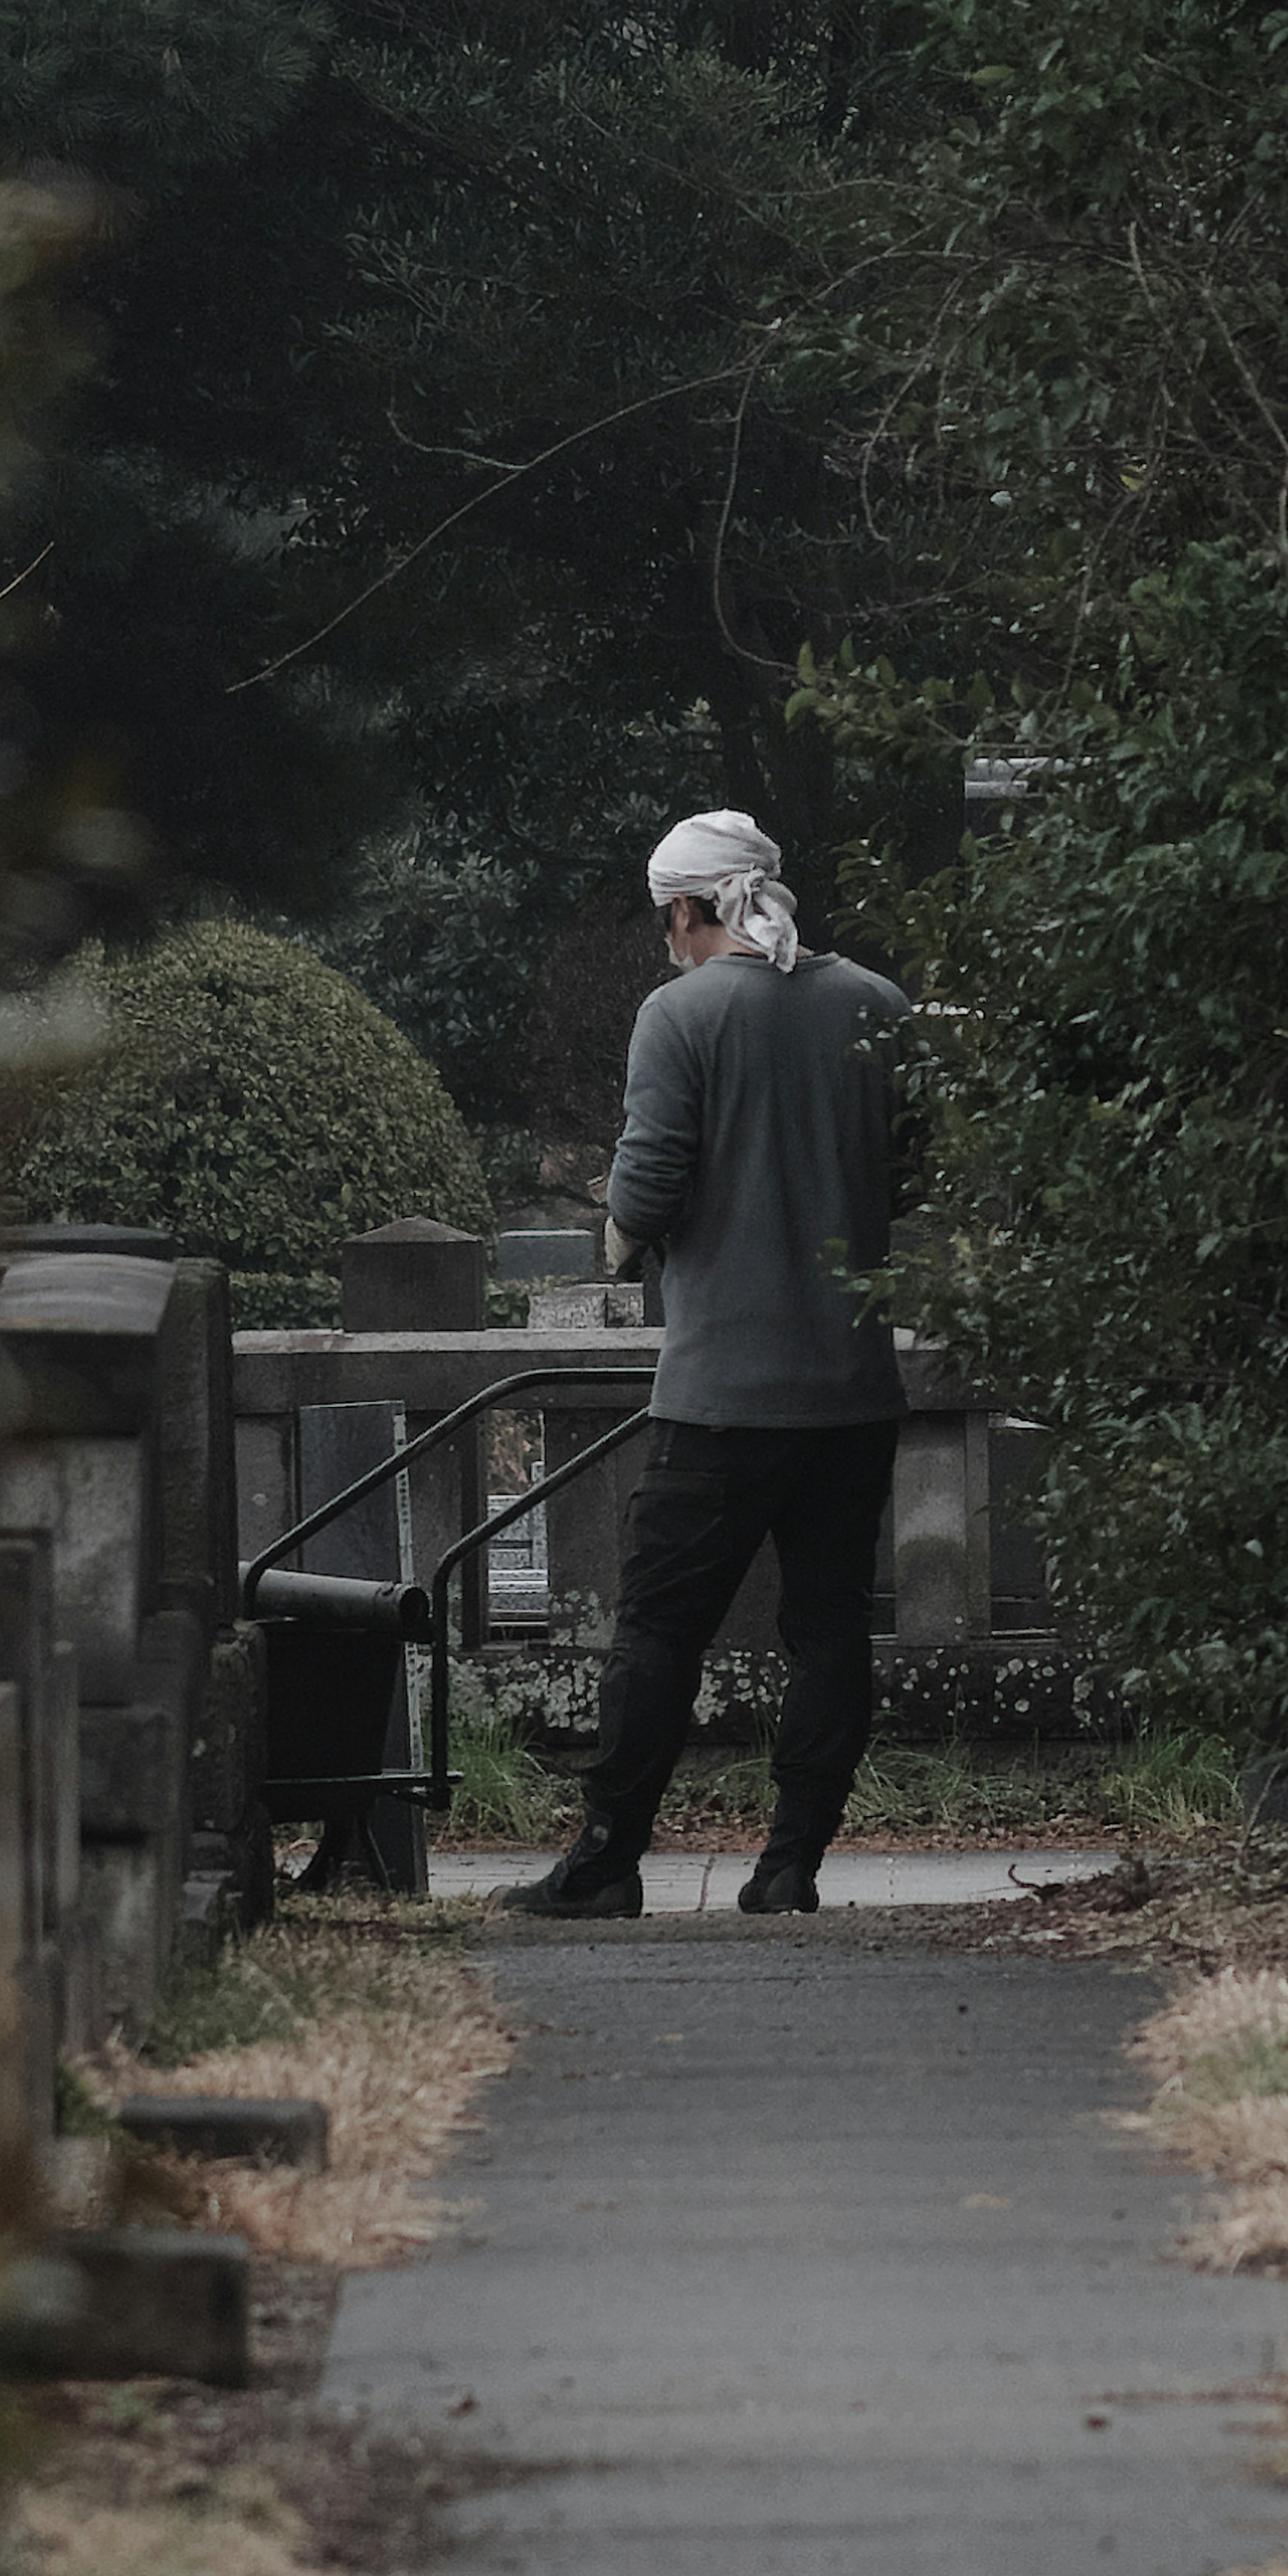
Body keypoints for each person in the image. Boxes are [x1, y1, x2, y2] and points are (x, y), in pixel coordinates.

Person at [504, 811, 910, 1919]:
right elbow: (906, 1172)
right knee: (829, 1629)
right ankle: (791, 1864)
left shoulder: (677, 1016)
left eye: (664, 920)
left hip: (722, 1394)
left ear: (688, 909)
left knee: (659, 1629)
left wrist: (631, 1241)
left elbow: (643, 1193)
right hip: (851, 1390)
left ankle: (606, 1858)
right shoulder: (877, 1005)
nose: (664, 941)